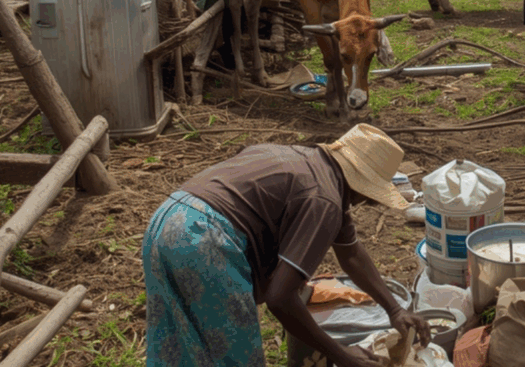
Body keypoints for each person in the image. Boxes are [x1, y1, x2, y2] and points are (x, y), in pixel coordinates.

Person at [142, 124, 430, 367]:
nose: (366, 202)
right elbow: (280, 298)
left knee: (178, 342)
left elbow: (351, 253)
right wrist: (341, 355)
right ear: (361, 185)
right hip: (204, 242)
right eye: (369, 195)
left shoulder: (308, 164)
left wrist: (394, 309)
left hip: (167, 221)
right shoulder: (325, 198)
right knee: (234, 354)